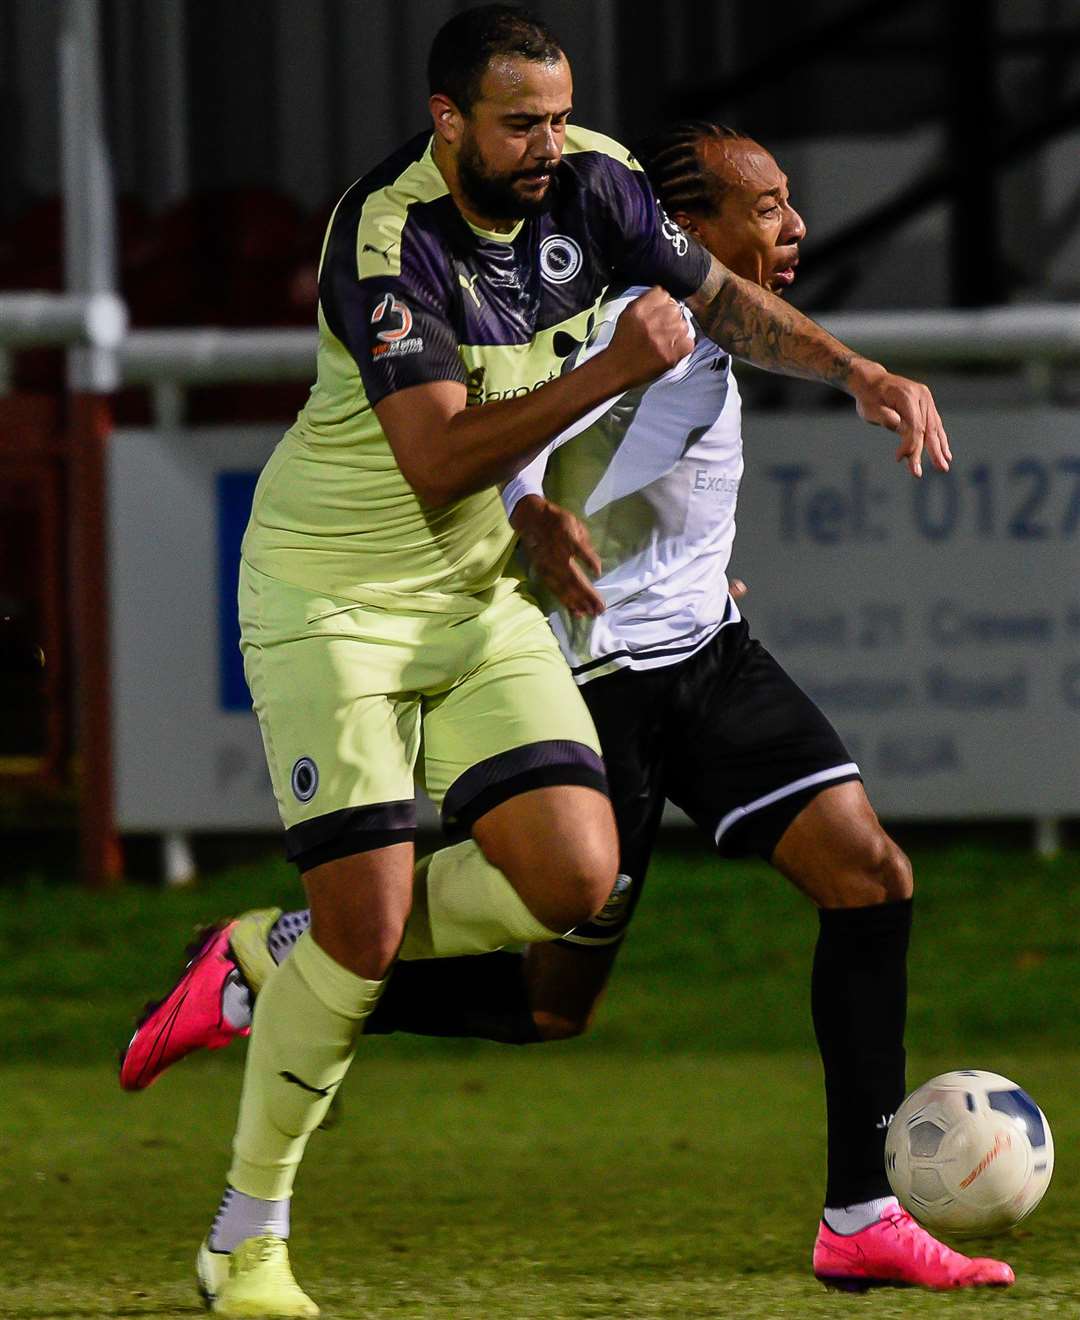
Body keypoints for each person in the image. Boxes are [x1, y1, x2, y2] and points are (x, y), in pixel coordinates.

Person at [122, 8, 959, 1314]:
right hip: (583, 664)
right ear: (450, 116)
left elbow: (719, 315)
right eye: (766, 206)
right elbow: (467, 442)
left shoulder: (607, 214)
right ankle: (280, 967)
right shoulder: (440, 259)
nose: (549, 146)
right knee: (541, 996)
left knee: (868, 878)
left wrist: (859, 374)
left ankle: (861, 1212)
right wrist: (531, 515)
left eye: (561, 119)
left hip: (703, 655)